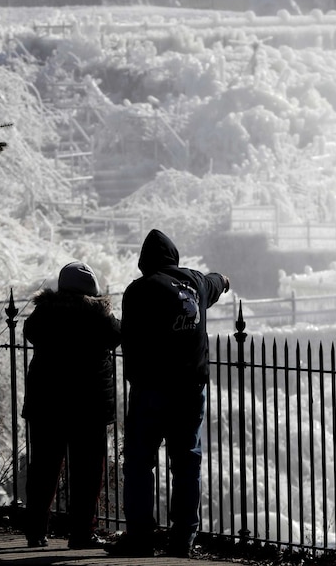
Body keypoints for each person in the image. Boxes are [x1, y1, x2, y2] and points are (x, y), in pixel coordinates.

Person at [106, 229, 230, 558]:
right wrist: (225, 279)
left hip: (151, 390)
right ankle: (183, 539)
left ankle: (141, 536)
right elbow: (217, 281)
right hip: (190, 389)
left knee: (139, 463)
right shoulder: (196, 282)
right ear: (174, 258)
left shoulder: (139, 290)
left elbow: (128, 337)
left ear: (144, 263)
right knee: (187, 462)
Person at [21, 261, 122, 550]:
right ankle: (81, 533)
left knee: (43, 468)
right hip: (88, 406)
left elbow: (30, 330)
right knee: (88, 472)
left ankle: (36, 531)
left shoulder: (45, 314)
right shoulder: (100, 317)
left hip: (47, 403)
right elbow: (117, 334)